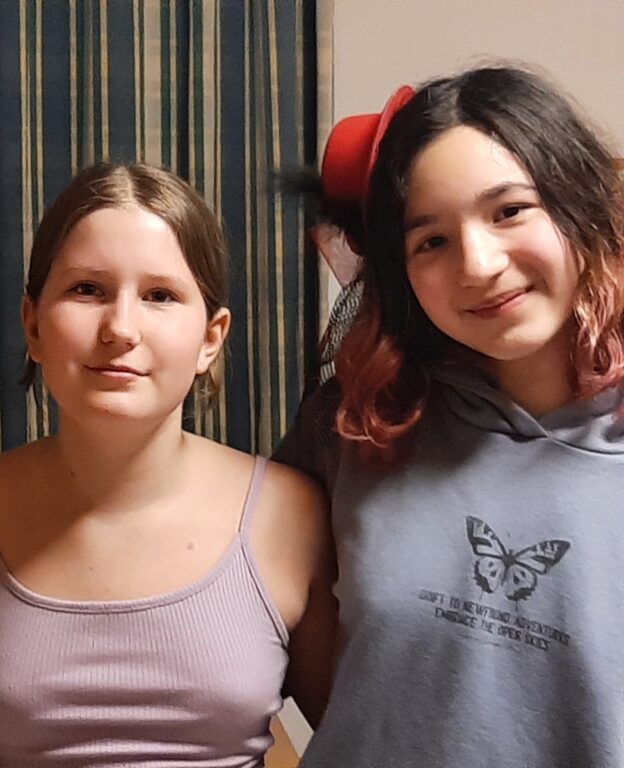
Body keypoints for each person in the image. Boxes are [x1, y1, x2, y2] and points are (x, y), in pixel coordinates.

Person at [0, 162, 336, 767]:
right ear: (32, 324)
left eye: (160, 296)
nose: (121, 328)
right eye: (87, 290)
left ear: (211, 338)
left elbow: (367, 742)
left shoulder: (291, 513)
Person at [277, 65, 624, 767]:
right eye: (430, 240)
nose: (479, 265)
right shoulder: (352, 426)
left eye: (510, 211)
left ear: (580, 206)